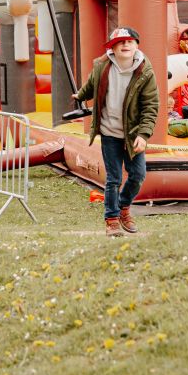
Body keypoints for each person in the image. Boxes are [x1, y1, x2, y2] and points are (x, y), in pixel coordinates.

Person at [70, 26, 160, 238]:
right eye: (120, 42)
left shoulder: (145, 71)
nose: (125, 45)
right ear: (112, 48)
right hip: (110, 132)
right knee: (113, 178)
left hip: (133, 134)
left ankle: (123, 206)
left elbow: (150, 105)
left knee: (138, 175)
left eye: (130, 41)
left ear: (136, 45)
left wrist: (143, 135)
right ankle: (111, 219)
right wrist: (80, 95)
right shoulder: (102, 66)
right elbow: (92, 86)